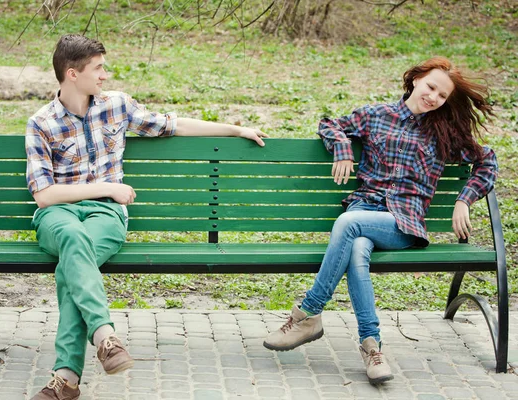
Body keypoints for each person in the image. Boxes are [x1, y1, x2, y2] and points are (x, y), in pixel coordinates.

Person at [26, 34, 268, 400]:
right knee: (73, 241)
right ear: (72, 74)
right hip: (57, 217)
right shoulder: (41, 123)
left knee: (71, 265)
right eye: (98, 68)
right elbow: (44, 196)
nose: (105, 75)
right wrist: (107, 186)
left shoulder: (117, 106)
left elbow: (175, 124)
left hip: (106, 216)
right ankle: (105, 336)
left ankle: (66, 378)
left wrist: (235, 129)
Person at [263, 56, 498, 385]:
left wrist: (464, 198)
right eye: (430, 87)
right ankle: (372, 347)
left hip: (401, 223)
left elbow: (487, 160)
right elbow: (330, 124)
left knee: (348, 224)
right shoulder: (375, 116)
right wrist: (343, 146)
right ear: (415, 80)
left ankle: (308, 313)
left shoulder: (443, 133)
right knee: (357, 246)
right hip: (365, 210)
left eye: (442, 95)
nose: (433, 97)